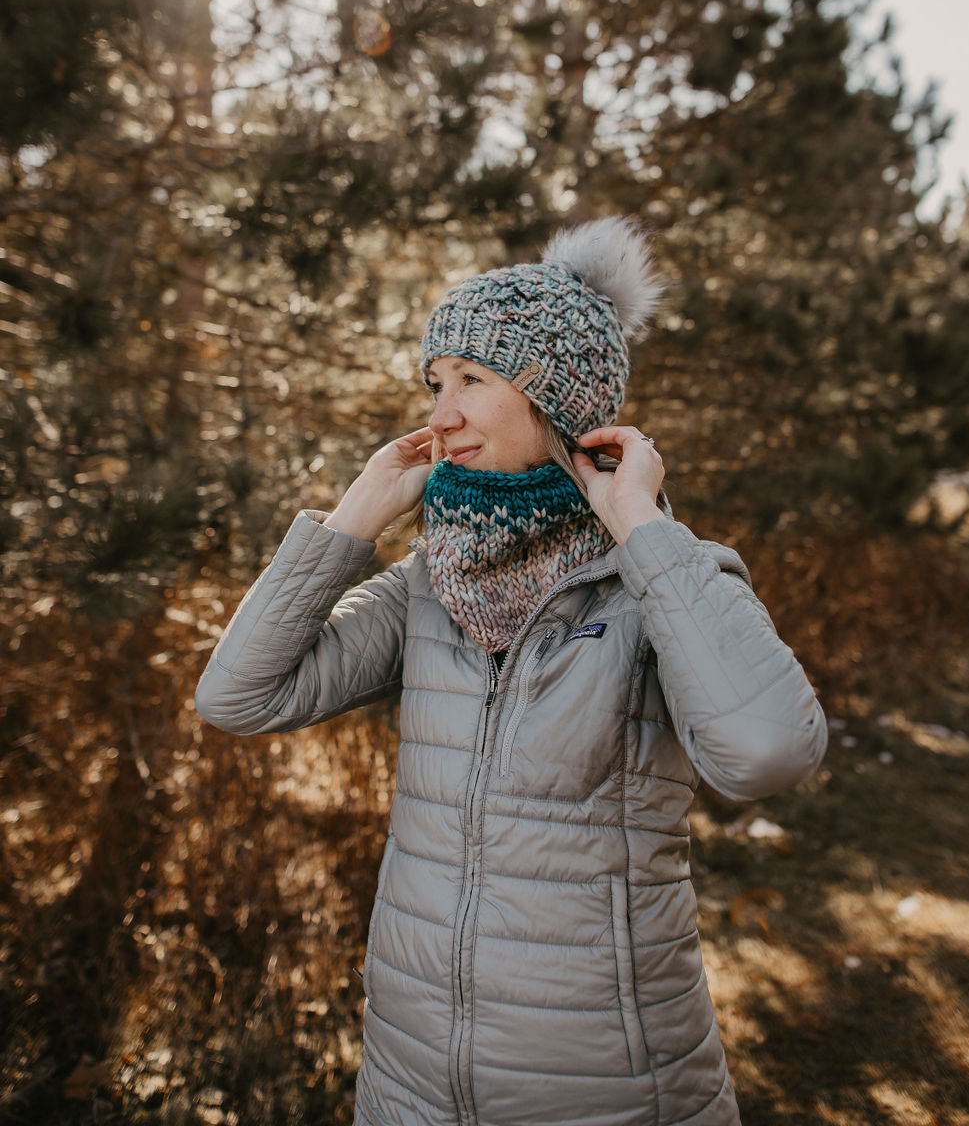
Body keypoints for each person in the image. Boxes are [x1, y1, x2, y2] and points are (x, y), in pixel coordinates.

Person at [195, 216, 828, 1126]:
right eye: (435, 383)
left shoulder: (662, 582)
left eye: (473, 381)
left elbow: (768, 754)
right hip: (410, 1087)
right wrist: (348, 523)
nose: (439, 414)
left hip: (610, 1092)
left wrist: (642, 527)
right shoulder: (428, 586)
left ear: (561, 400)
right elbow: (237, 698)